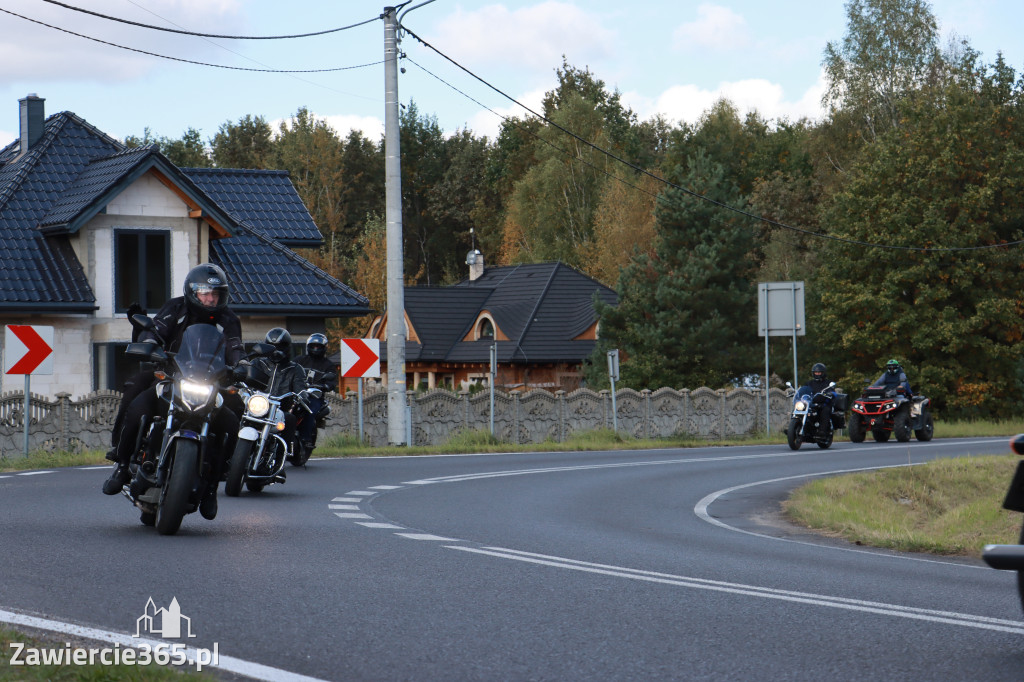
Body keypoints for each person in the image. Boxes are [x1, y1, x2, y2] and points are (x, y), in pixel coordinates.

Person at [102, 263, 244, 521]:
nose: (210, 299)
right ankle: (122, 465)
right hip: (171, 373)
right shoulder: (176, 308)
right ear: (193, 292)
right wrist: (149, 343)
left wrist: (242, 365)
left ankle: (212, 487)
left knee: (234, 420)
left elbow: (235, 346)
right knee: (136, 397)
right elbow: (157, 329)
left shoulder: (229, 320)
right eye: (205, 293)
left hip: (212, 381)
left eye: (215, 294)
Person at [250, 327, 307, 472]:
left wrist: (303, 395)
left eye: (280, 347)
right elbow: (245, 377)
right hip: (256, 406)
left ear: (287, 347)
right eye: (272, 346)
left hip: (279, 410)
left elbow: (301, 388)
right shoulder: (258, 363)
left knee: (290, 419)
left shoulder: (295, 369)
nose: (276, 350)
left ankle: (280, 460)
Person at [293, 333, 338, 452]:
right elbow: (288, 371)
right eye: (313, 346)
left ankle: (306, 438)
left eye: (318, 346)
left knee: (310, 410)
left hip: (314, 396)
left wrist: (326, 385)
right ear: (308, 346)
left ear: (324, 347)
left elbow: (332, 381)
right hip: (297, 393)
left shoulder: (328, 365)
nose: (316, 349)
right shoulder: (299, 360)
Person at [804, 362, 836, 438]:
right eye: (816, 372)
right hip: (811, 403)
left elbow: (833, 391)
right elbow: (803, 390)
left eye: (819, 372)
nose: (817, 374)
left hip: (823, 404)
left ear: (823, 373)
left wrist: (830, 393)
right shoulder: (809, 383)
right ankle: (793, 427)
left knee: (825, 410)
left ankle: (822, 431)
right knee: (799, 408)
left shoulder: (828, 383)